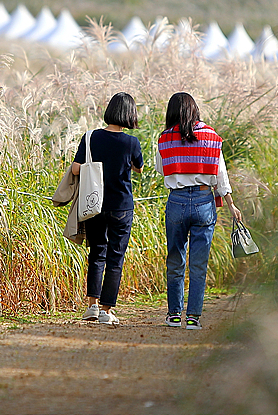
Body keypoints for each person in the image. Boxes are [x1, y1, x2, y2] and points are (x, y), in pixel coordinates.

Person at [155, 92, 242, 330]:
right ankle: (193, 317)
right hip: (205, 201)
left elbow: (162, 172)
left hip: (177, 200)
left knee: (175, 259)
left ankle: (174, 315)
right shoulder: (212, 137)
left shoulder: (164, 138)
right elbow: (220, 175)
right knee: (198, 264)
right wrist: (231, 204)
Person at [72, 92, 144, 325]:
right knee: (115, 257)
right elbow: (139, 168)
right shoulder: (131, 142)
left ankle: (92, 305)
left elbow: (75, 169)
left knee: (96, 254)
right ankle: (106, 310)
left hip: (94, 203)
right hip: (121, 206)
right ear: (130, 114)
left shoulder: (91, 137)